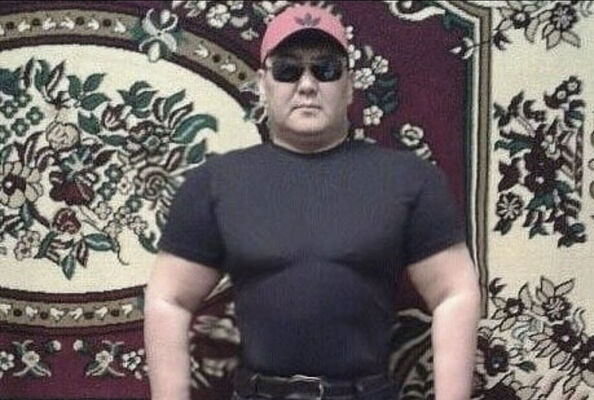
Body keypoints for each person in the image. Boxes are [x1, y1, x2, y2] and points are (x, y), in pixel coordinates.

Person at [144, 4, 481, 400]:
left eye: (326, 69)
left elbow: (455, 292)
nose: (307, 85)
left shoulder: (410, 178)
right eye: (288, 70)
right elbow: (168, 299)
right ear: (262, 84)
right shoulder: (215, 183)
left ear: (349, 85)